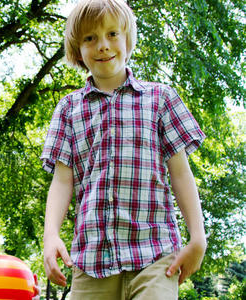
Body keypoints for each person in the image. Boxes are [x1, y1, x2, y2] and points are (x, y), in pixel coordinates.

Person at [41, 0, 207, 299]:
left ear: (128, 38)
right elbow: (62, 180)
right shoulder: (69, 108)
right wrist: (50, 235)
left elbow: (181, 174)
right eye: (90, 38)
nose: (103, 45)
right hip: (92, 260)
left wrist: (198, 237)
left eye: (112, 34)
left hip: (154, 255)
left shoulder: (160, 98)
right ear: (78, 49)